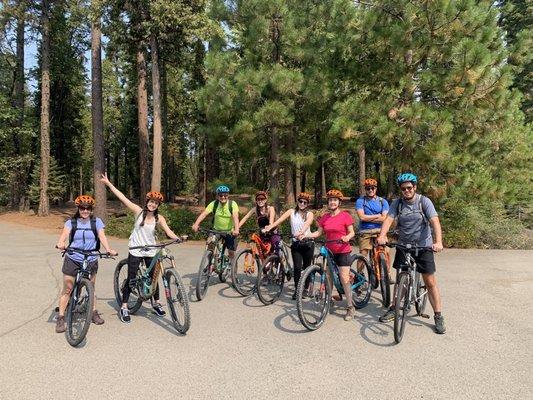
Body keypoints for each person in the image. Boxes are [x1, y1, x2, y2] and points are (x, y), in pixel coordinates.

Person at [100, 173, 180, 323]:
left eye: (156, 203)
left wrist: (177, 238)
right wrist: (109, 184)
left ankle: (155, 303)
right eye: (151, 202)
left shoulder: (159, 218)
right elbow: (123, 198)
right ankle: (124, 306)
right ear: (147, 202)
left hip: (151, 250)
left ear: (158, 206)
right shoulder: (139, 212)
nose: (153, 204)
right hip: (136, 249)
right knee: (131, 279)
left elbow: (168, 232)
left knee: (153, 278)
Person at [376, 172, 446, 334]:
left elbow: (435, 221)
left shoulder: (424, 201)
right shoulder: (397, 203)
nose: (406, 191)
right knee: (402, 278)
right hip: (403, 245)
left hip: (423, 246)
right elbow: (388, 219)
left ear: (414, 187)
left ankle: (438, 315)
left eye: (409, 188)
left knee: (429, 281)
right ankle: (395, 308)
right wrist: (382, 235)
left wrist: (438, 242)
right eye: (403, 189)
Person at [55, 195, 118, 333]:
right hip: (73, 257)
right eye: (82, 208)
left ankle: (93, 312)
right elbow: (64, 236)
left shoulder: (97, 222)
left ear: (91, 209)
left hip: (91, 258)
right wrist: (61, 243)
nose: (85, 210)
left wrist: (108, 250)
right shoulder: (71, 222)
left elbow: (102, 236)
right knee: (68, 288)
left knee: (92, 287)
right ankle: (61, 317)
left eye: (88, 208)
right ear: (78, 208)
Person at [306, 189, 356, 321]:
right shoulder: (325, 217)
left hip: (343, 250)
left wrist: (346, 237)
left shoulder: (345, 216)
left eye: (334, 200)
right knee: (328, 277)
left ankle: (350, 306)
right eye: (330, 200)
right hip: (329, 251)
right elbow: (318, 232)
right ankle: (329, 299)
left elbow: (352, 233)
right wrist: (305, 235)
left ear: (339, 202)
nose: (332, 202)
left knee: (344, 278)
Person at [264, 192, 315, 300]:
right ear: (298, 201)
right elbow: (279, 220)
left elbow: (307, 223)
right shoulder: (292, 212)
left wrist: (302, 232)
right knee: (297, 267)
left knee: (306, 267)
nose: (302, 204)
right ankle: (297, 289)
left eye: (305, 202)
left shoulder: (309, 214)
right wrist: (270, 227)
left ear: (307, 204)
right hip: (296, 244)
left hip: (308, 243)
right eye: (300, 201)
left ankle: (306, 288)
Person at [192, 185, 240, 261]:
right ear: (217, 196)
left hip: (230, 231)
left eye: (225, 195)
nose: (223, 197)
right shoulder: (214, 204)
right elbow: (204, 214)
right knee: (210, 245)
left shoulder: (232, 204)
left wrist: (236, 229)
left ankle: (232, 269)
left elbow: (235, 217)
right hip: (216, 230)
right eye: (221, 195)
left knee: (231, 252)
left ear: (228, 195)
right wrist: (196, 224)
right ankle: (209, 265)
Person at [355, 178, 391, 277]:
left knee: (386, 251)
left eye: (373, 188)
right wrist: (377, 216)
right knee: (363, 255)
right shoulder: (360, 201)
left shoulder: (383, 201)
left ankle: (387, 274)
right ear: (365, 189)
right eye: (368, 188)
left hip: (380, 230)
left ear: (376, 189)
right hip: (365, 231)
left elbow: (384, 218)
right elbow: (361, 217)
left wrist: (368, 218)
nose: (370, 190)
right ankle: (359, 276)